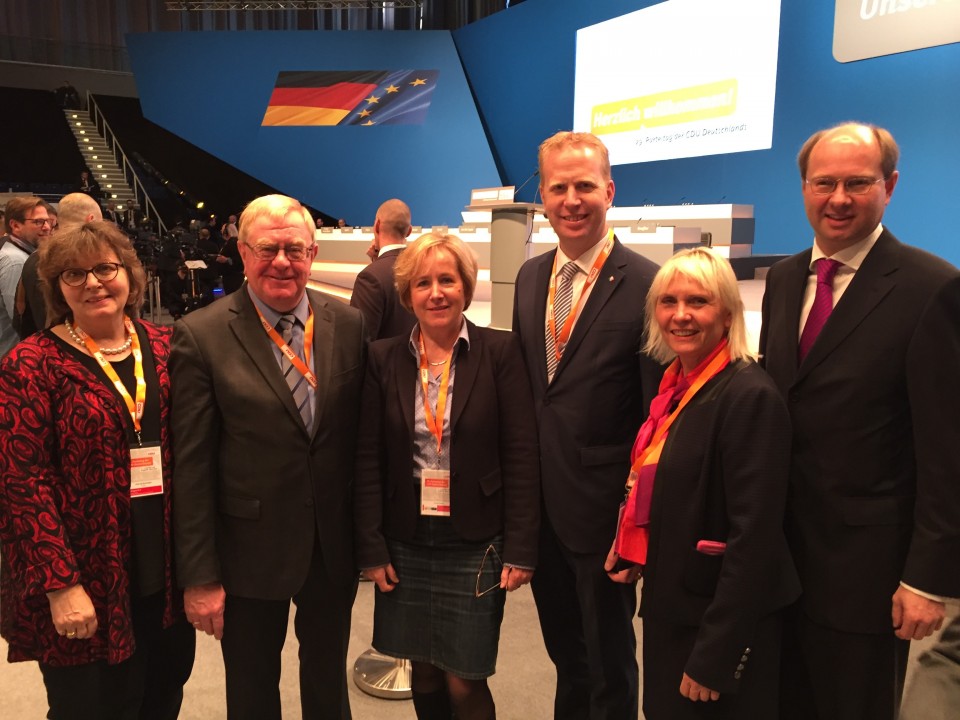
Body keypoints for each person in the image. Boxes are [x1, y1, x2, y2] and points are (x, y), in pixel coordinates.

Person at [759, 122, 960, 719]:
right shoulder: (783, 278)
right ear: (803, 189)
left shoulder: (933, 289)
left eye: (857, 183)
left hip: (867, 572)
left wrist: (928, 579)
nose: (838, 198)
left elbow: (947, 452)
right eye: (824, 183)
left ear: (889, 186)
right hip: (779, 559)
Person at [170, 193, 366, 720]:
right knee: (253, 691)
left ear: (313, 253)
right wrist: (201, 575)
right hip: (246, 552)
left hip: (331, 548)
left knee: (328, 686)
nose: (282, 261)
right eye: (268, 248)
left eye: (295, 249)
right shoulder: (201, 335)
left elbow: (359, 447)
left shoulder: (349, 325)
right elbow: (190, 468)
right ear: (241, 251)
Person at [0, 221, 195, 719]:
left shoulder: (167, 347)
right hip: (85, 581)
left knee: (161, 697)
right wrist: (60, 585)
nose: (92, 283)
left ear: (130, 275)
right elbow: (22, 483)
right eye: (74, 274)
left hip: (165, 576)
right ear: (57, 287)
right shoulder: (30, 365)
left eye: (105, 268)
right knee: (90, 707)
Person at [355, 232, 539, 720]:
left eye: (447, 280)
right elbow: (367, 460)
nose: (436, 292)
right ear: (407, 295)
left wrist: (521, 548)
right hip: (405, 539)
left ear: (466, 286)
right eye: (423, 283)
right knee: (424, 669)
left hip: (475, 539)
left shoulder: (501, 352)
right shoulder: (382, 358)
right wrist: (371, 548)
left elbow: (521, 454)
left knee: (465, 677)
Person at [609, 247, 799, 718]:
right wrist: (635, 546)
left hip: (716, 625)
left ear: (729, 312)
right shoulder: (677, 386)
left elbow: (753, 541)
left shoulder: (749, 395)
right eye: (668, 301)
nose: (680, 315)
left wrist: (717, 654)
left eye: (698, 301)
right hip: (674, 604)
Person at [512, 130, 661, 719]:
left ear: (610, 191)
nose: (571, 200)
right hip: (540, 513)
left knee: (609, 664)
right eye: (558, 188)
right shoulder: (529, 278)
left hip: (604, 517)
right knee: (564, 656)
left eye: (584, 186)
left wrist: (636, 523)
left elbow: (657, 418)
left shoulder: (649, 285)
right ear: (543, 198)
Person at [15, 192, 102, 338]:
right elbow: (54, 322)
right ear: (91, 220)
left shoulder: (36, 257)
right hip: (63, 351)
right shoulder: (56, 259)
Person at [349, 198, 417, 340]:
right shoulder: (422, 267)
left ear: (377, 225)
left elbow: (357, 343)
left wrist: (376, 266)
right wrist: (376, 261)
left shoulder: (370, 277)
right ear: (409, 231)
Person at [0, 196, 53, 356]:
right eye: (38, 222)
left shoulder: (21, 256)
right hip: (14, 357)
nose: (46, 227)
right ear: (15, 225)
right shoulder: (16, 261)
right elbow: (20, 320)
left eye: (48, 221)